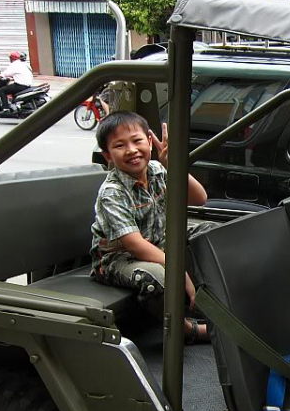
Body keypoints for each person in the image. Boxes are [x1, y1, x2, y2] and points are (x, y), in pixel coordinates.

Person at [90, 111, 210, 343]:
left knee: (209, 232)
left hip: (159, 242)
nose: (132, 150)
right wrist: (182, 274)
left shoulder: (157, 170)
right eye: (120, 145)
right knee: (159, 276)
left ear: (149, 141)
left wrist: (173, 165)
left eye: (137, 141)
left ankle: (212, 303)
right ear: (108, 156)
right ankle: (185, 330)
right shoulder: (112, 192)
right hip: (118, 259)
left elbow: (200, 198)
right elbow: (135, 246)